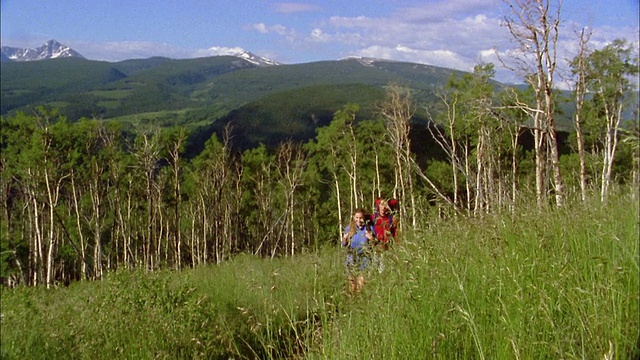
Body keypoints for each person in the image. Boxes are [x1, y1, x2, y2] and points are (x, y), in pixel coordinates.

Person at [341, 208, 376, 293]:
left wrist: (371, 238)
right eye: (357, 217)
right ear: (353, 217)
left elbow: (375, 244)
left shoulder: (369, 228)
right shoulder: (349, 228)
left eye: (361, 218)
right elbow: (344, 244)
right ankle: (351, 301)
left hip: (365, 258)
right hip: (351, 258)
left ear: (364, 218)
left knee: (361, 285)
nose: (359, 220)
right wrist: (345, 238)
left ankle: (359, 300)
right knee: (352, 284)